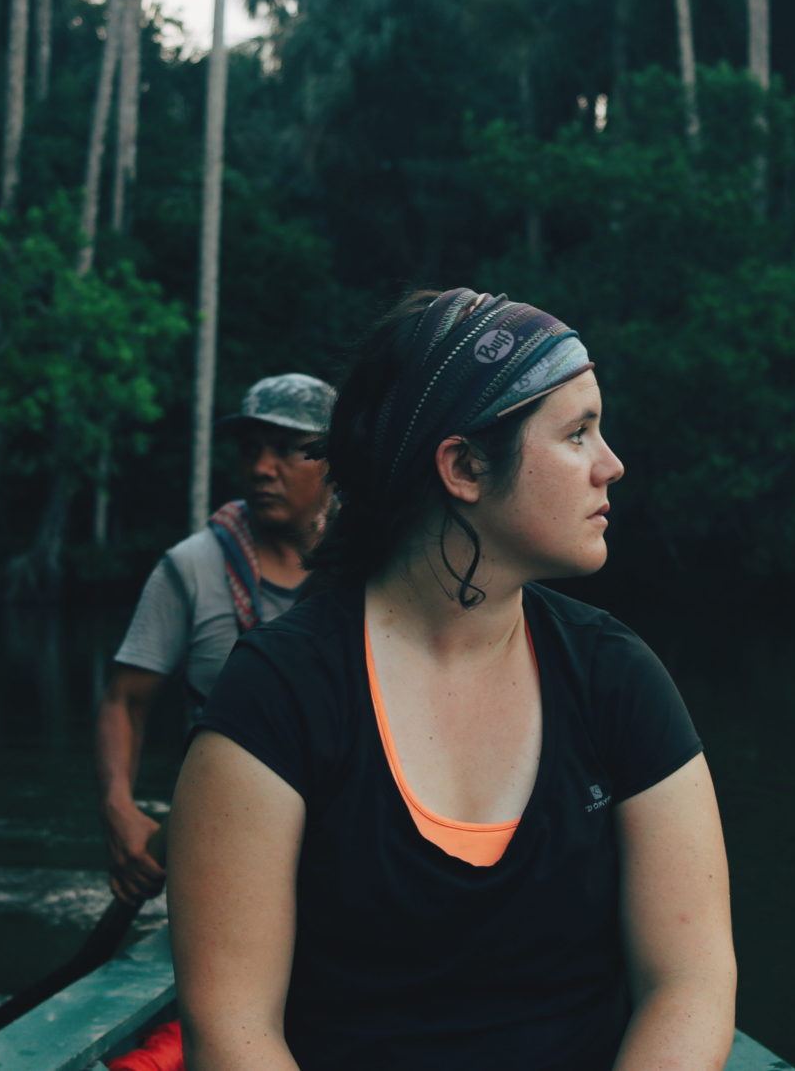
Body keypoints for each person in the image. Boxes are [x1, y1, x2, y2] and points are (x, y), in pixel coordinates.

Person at [169, 290, 736, 1071]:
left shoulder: (618, 680)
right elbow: (233, 1029)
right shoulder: (279, 696)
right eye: (577, 433)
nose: (612, 465)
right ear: (464, 466)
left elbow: (692, 982)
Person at [94, 372, 336, 908]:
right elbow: (125, 700)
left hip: (339, 848)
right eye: (251, 451)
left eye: (287, 450)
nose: (261, 469)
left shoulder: (373, 573)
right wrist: (120, 811)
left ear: (334, 462)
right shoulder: (191, 568)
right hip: (225, 843)